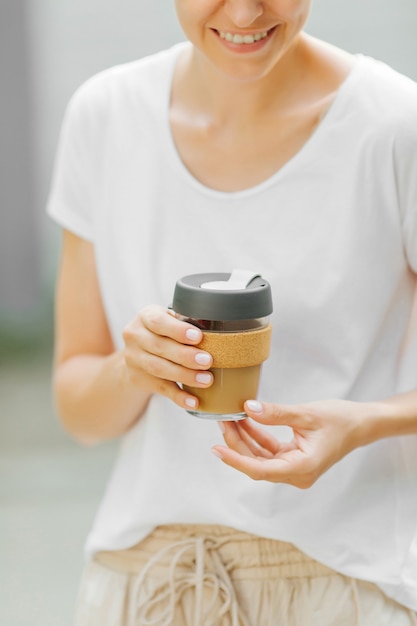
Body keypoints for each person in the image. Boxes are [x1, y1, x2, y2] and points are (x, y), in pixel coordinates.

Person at [47, 0, 417, 624]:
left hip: (340, 583)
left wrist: (363, 423)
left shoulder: (394, 127)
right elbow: (78, 410)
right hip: (143, 582)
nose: (244, 12)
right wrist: (132, 370)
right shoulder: (105, 117)